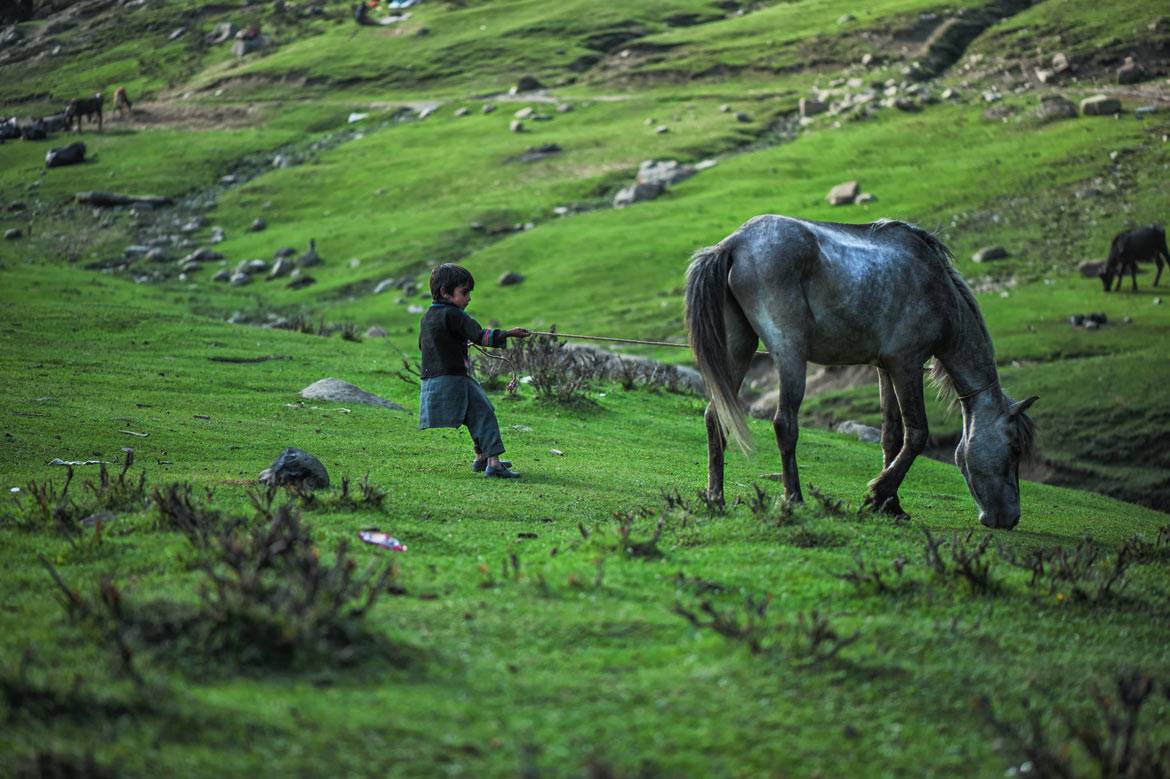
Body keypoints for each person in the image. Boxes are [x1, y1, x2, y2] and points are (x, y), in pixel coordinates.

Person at [418, 263, 530, 478]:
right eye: (464, 292)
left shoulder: (428, 316)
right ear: (445, 292)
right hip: (454, 378)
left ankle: (482, 458)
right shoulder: (455, 315)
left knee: (475, 415)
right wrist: (509, 333)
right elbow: (480, 335)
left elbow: (423, 346)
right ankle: (494, 464)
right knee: (485, 412)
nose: (469, 298)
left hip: (434, 379)